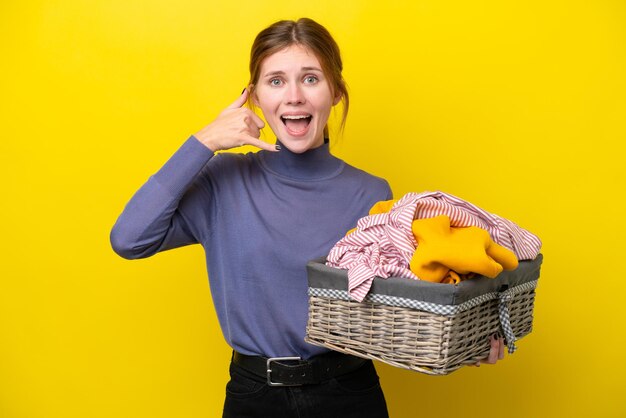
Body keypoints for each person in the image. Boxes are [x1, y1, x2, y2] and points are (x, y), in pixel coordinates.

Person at [110, 17, 505, 418]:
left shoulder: (371, 193)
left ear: (335, 92)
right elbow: (129, 239)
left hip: (349, 394)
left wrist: (464, 338)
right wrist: (204, 142)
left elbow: (400, 299)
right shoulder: (222, 182)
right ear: (254, 97)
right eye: (276, 81)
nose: (294, 96)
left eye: (311, 79)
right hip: (254, 397)